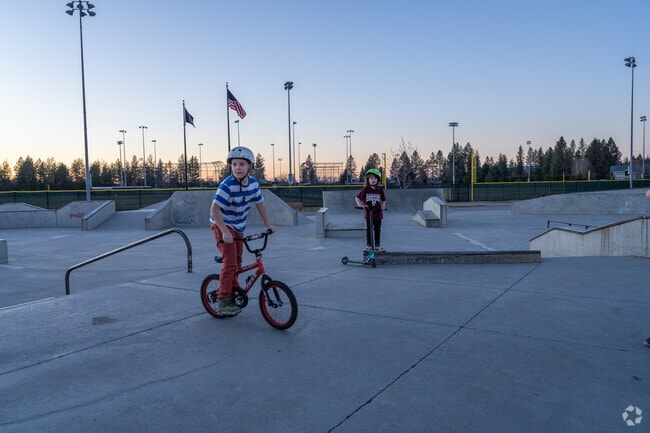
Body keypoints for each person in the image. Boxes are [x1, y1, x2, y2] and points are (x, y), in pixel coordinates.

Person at [210, 146, 276, 315]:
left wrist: (267, 225)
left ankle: (232, 290)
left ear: (250, 166)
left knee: (237, 264)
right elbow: (214, 210)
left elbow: (259, 204)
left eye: (241, 164)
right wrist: (224, 231)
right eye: (234, 164)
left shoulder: (253, 184)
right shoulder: (227, 186)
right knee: (230, 264)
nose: (237, 167)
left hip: (238, 226)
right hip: (222, 224)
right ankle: (223, 300)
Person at [355, 168, 387, 253]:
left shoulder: (380, 189)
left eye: (375, 178)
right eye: (371, 178)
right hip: (369, 213)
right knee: (369, 229)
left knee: (377, 229)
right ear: (368, 179)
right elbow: (357, 198)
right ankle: (369, 246)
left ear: (378, 180)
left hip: (378, 213)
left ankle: (377, 246)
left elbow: (384, 199)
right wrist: (361, 205)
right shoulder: (366, 189)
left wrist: (383, 206)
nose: (373, 180)